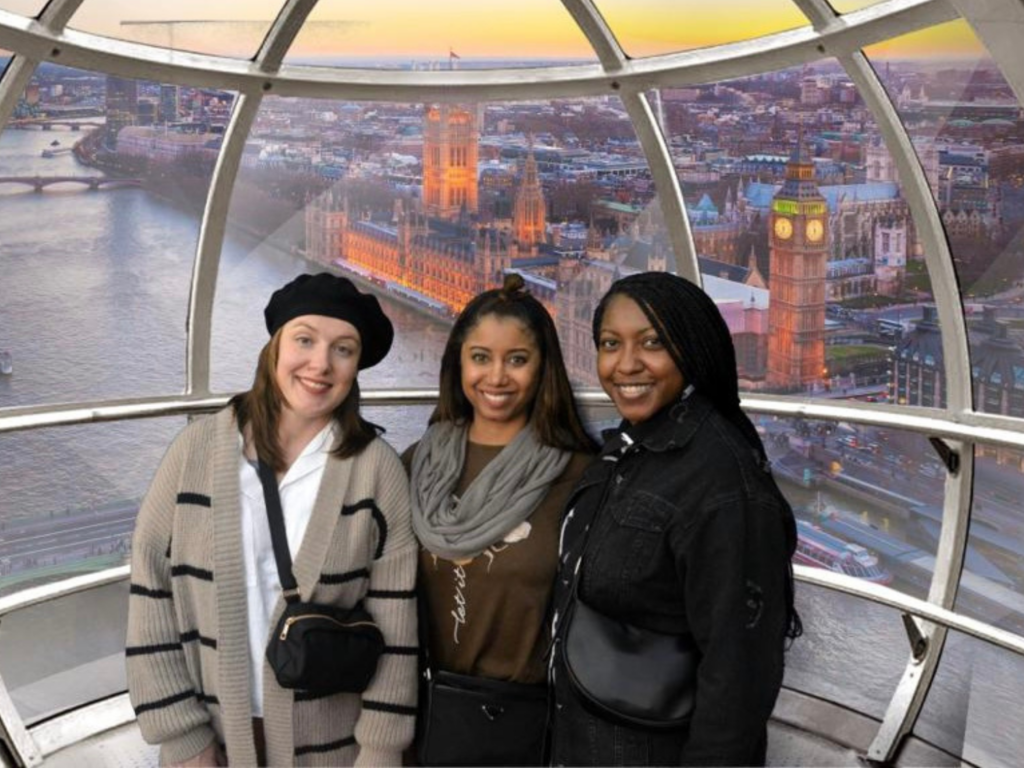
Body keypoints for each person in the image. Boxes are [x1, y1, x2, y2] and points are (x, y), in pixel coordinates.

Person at [127, 273, 418, 767]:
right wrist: (182, 738)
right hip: (213, 744)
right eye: (304, 339)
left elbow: (397, 630)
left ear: (355, 367)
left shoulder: (377, 472)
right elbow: (151, 594)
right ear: (274, 348)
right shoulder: (194, 454)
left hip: (335, 751)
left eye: (342, 349)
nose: (320, 364)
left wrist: (380, 753)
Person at [550, 272, 802, 767]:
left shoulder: (724, 485)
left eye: (652, 343)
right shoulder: (632, 446)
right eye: (610, 344)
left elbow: (738, 678)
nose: (626, 365)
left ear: (692, 348)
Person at [405, 272, 597, 765]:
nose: (496, 378)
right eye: (480, 358)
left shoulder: (581, 476)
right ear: (458, 363)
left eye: (517, 359)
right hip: (424, 718)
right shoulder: (415, 466)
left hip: (530, 727)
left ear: (542, 368)